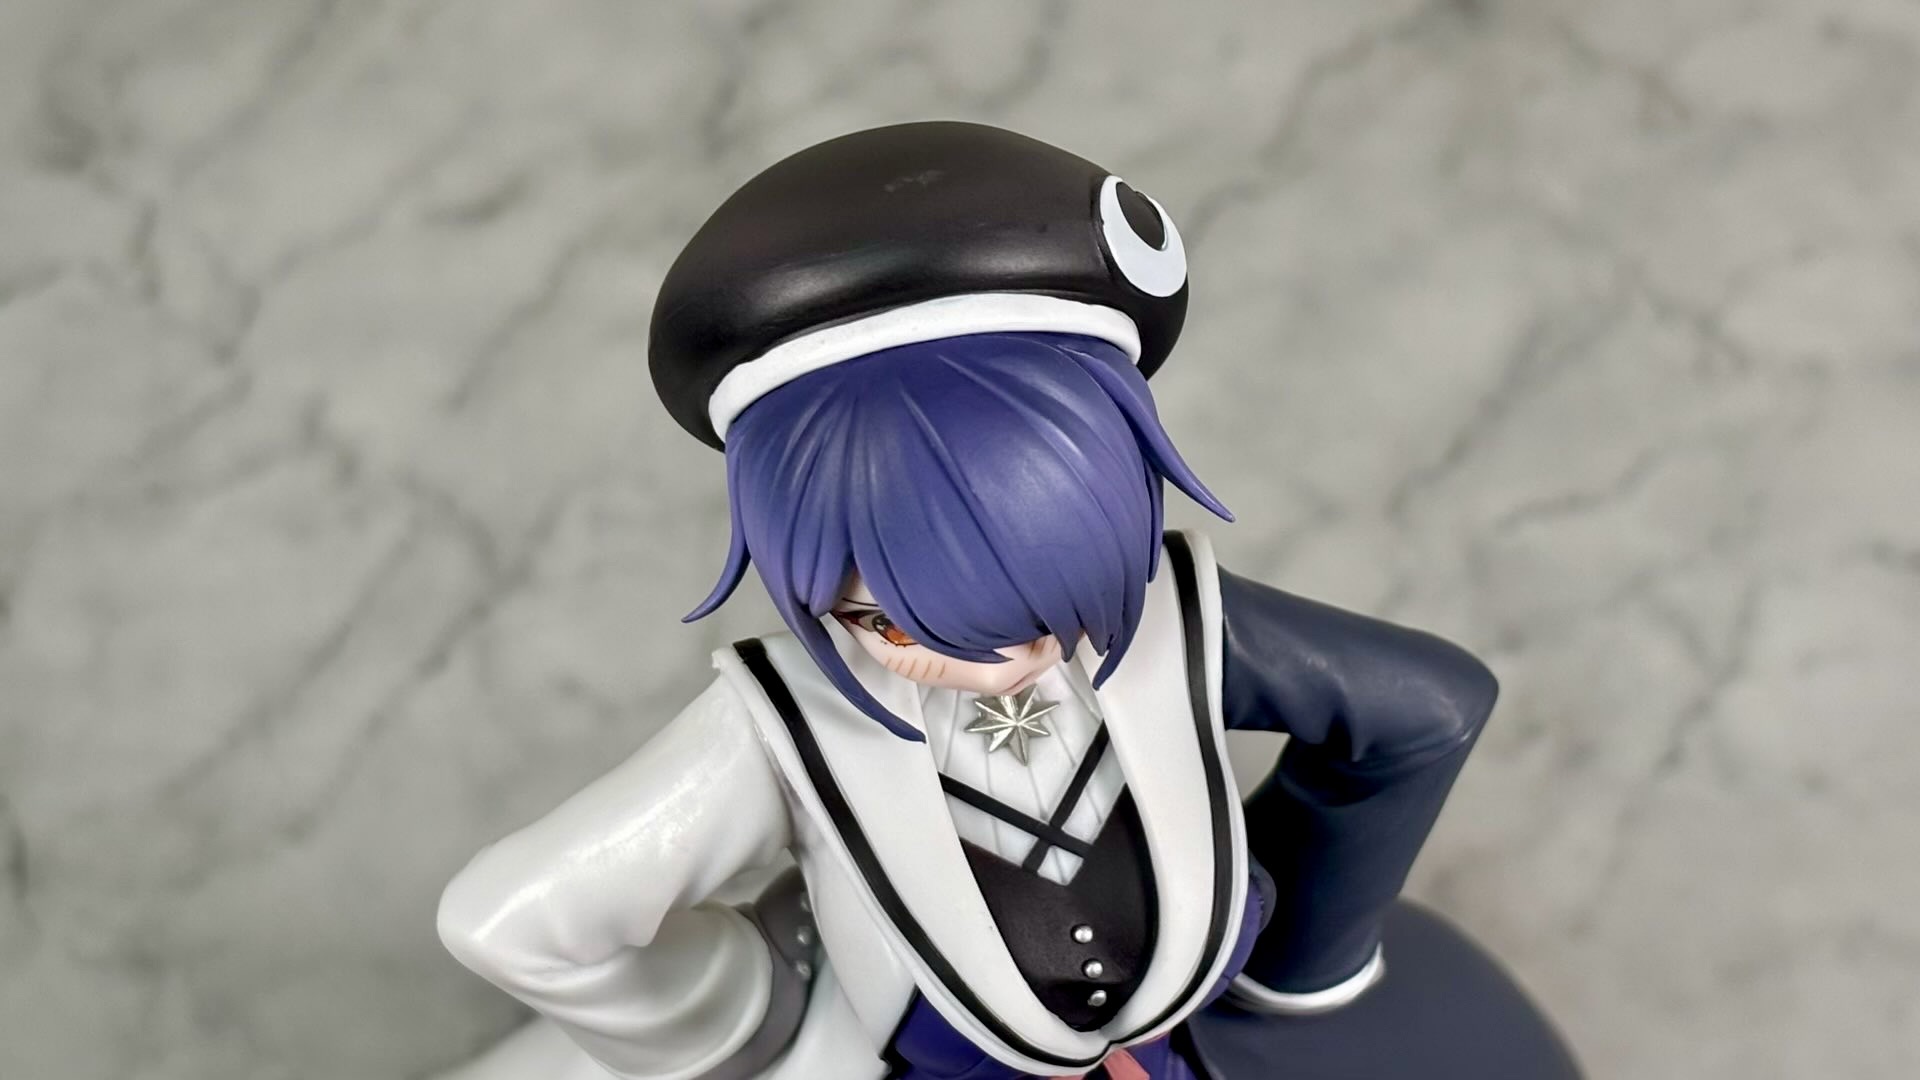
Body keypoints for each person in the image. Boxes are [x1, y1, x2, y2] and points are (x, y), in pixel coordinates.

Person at [437, 122, 1581, 1080]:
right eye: (889, 625)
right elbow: (513, 921)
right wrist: (744, 1019)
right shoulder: (781, 727)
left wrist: (1308, 946)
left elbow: (1426, 707)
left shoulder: (1175, 619)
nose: (982, 662)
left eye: (1039, 609)